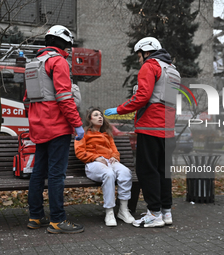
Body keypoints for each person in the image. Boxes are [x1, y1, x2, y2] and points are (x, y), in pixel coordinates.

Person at [105, 37, 178, 228]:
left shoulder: (150, 65)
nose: (139, 60)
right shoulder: (172, 70)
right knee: (163, 171)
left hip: (151, 126)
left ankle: (153, 213)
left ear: (146, 51)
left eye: (139, 55)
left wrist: (120, 109)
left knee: (147, 171)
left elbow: (143, 96)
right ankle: (165, 211)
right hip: (168, 128)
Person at [24, 25, 85, 234]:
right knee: (57, 175)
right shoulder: (58, 61)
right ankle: (58, 220)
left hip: (39, 127)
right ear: (60, 43)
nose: (68, 49)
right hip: (57, 126)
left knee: (38, 174)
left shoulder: (34, 64)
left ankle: (35, 216)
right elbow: (64, 98)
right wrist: (77, 124)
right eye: (67, 45)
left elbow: (27, 99)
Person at [74, 107, 135, 227]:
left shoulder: (107, 134)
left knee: (126, 172)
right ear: (89, 119)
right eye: (96, 115)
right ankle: (109, 212)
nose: (100, 117)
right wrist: (95, 157)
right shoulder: (84, 132)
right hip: (94, 163)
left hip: (109, 162)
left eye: (101, 115)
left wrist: (114, 157)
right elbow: (80, 152)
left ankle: (123, 210)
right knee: (109, 174)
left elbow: (115, 150)